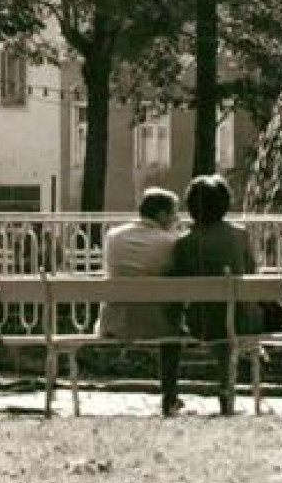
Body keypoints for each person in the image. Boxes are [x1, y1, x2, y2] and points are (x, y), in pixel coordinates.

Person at [170, 175, 262, 416]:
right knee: (228, 316)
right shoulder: (240, 236)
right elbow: (252, 272)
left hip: (200, 322)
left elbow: (178, 282)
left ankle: (174, 395)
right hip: (243, 321)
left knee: (216, 315)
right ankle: (226, 389)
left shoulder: (184, 244)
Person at [99, 188, 184, 416]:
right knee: (173, 331)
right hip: (158, 324)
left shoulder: (113, 237)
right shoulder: (171, 242)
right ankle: (170, 396)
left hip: (116, 322)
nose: (177, 218)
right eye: (174, 213)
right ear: (162, 215)